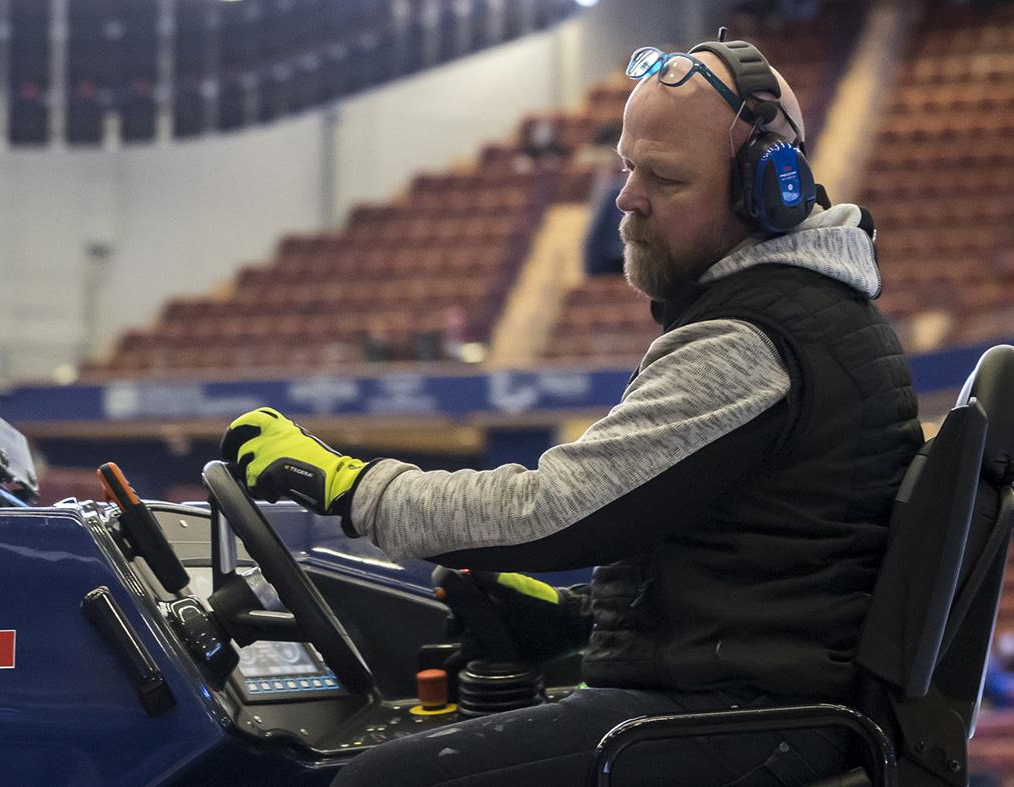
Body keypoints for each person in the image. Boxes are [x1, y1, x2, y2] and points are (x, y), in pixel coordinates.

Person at [222, 37, 923, 786]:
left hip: (756, 724)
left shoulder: (755, 341)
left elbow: (554, 509)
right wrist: (579, 615)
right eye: (627, 166)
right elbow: (763, 561)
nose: (625, 197)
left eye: (664, 177)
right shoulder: (798, 315)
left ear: (768, 193)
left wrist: (351, 487)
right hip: (756, 707)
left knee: (374, 781)